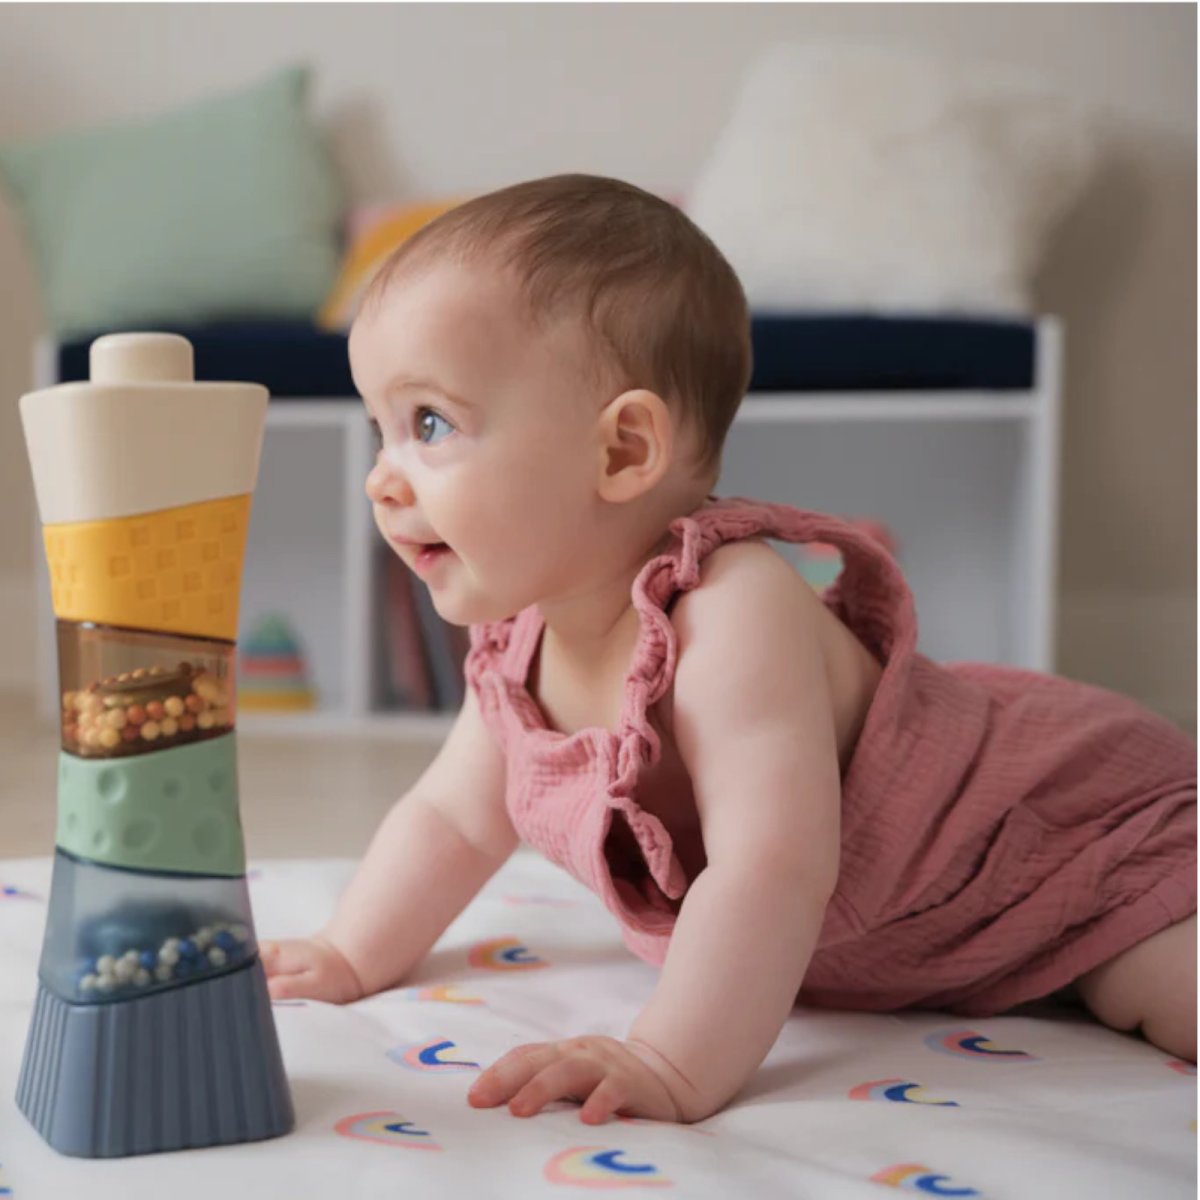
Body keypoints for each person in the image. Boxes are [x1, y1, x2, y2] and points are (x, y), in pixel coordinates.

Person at [261, 174, 1197, 1125]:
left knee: (1163, 986)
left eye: (429, 424)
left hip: (1060, 841)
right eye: (379, 429)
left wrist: (670, 1062)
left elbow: (771, 868)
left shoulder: (732, 610)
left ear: (624, 451)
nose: (381, 478)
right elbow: (453, 823)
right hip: (933, 945)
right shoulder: (519, 643)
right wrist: (350, 953)